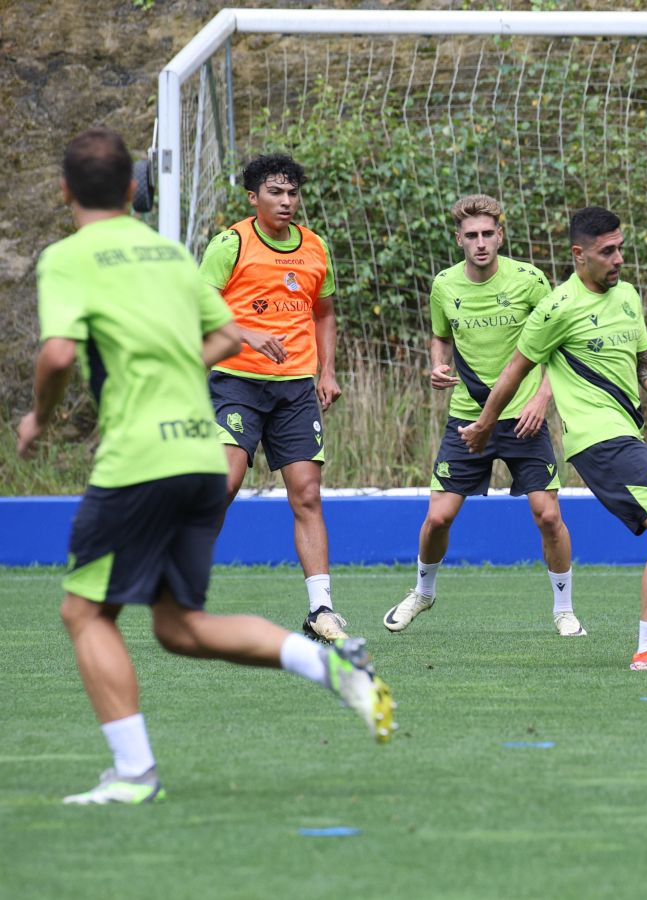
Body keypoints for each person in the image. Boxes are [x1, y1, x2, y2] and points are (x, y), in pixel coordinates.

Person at [17, 128, 394, 805]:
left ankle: (134, 774)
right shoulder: (165, 252)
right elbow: (224, 335)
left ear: (66, 191)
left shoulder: (70, 257)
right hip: (196, 446)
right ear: (134, 190)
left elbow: (58, 357)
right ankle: (330, 664)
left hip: (141, 457)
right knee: (178, 625)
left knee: (84, 613)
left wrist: (39, 418)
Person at [459, 207, 647, 671]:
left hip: (630, 436)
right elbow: (513, 372)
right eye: (608, 251)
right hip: (598, 443)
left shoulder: (627, 296)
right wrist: (485, 423)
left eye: (621, 247)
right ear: (580, 255)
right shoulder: (556, 308)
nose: (619, 258)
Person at [384, 194, 583, 637]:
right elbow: (440, 337)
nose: (480, 243)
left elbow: (559, 345)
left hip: (523, 418)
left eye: (488, 234)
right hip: (467, 418)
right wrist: (436, 364)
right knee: (438, 518)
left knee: (548, 515)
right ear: (459, 239)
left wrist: (541, 399)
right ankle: (423, 592)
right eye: (471, 236)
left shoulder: (530, 280)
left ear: (500, 235)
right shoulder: (444, 285)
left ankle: (564, 609)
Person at [199, 154, 346, 642]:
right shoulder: (231, 243)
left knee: (306, 493)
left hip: (296, 390)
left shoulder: (314, 248)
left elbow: (323, 312)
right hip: (236, 380)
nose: (286, 202)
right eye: (276, 193)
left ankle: (321, 609)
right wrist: (245, 332)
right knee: (225, 482)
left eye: (292, 193)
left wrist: (327, 371)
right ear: (253, 198)